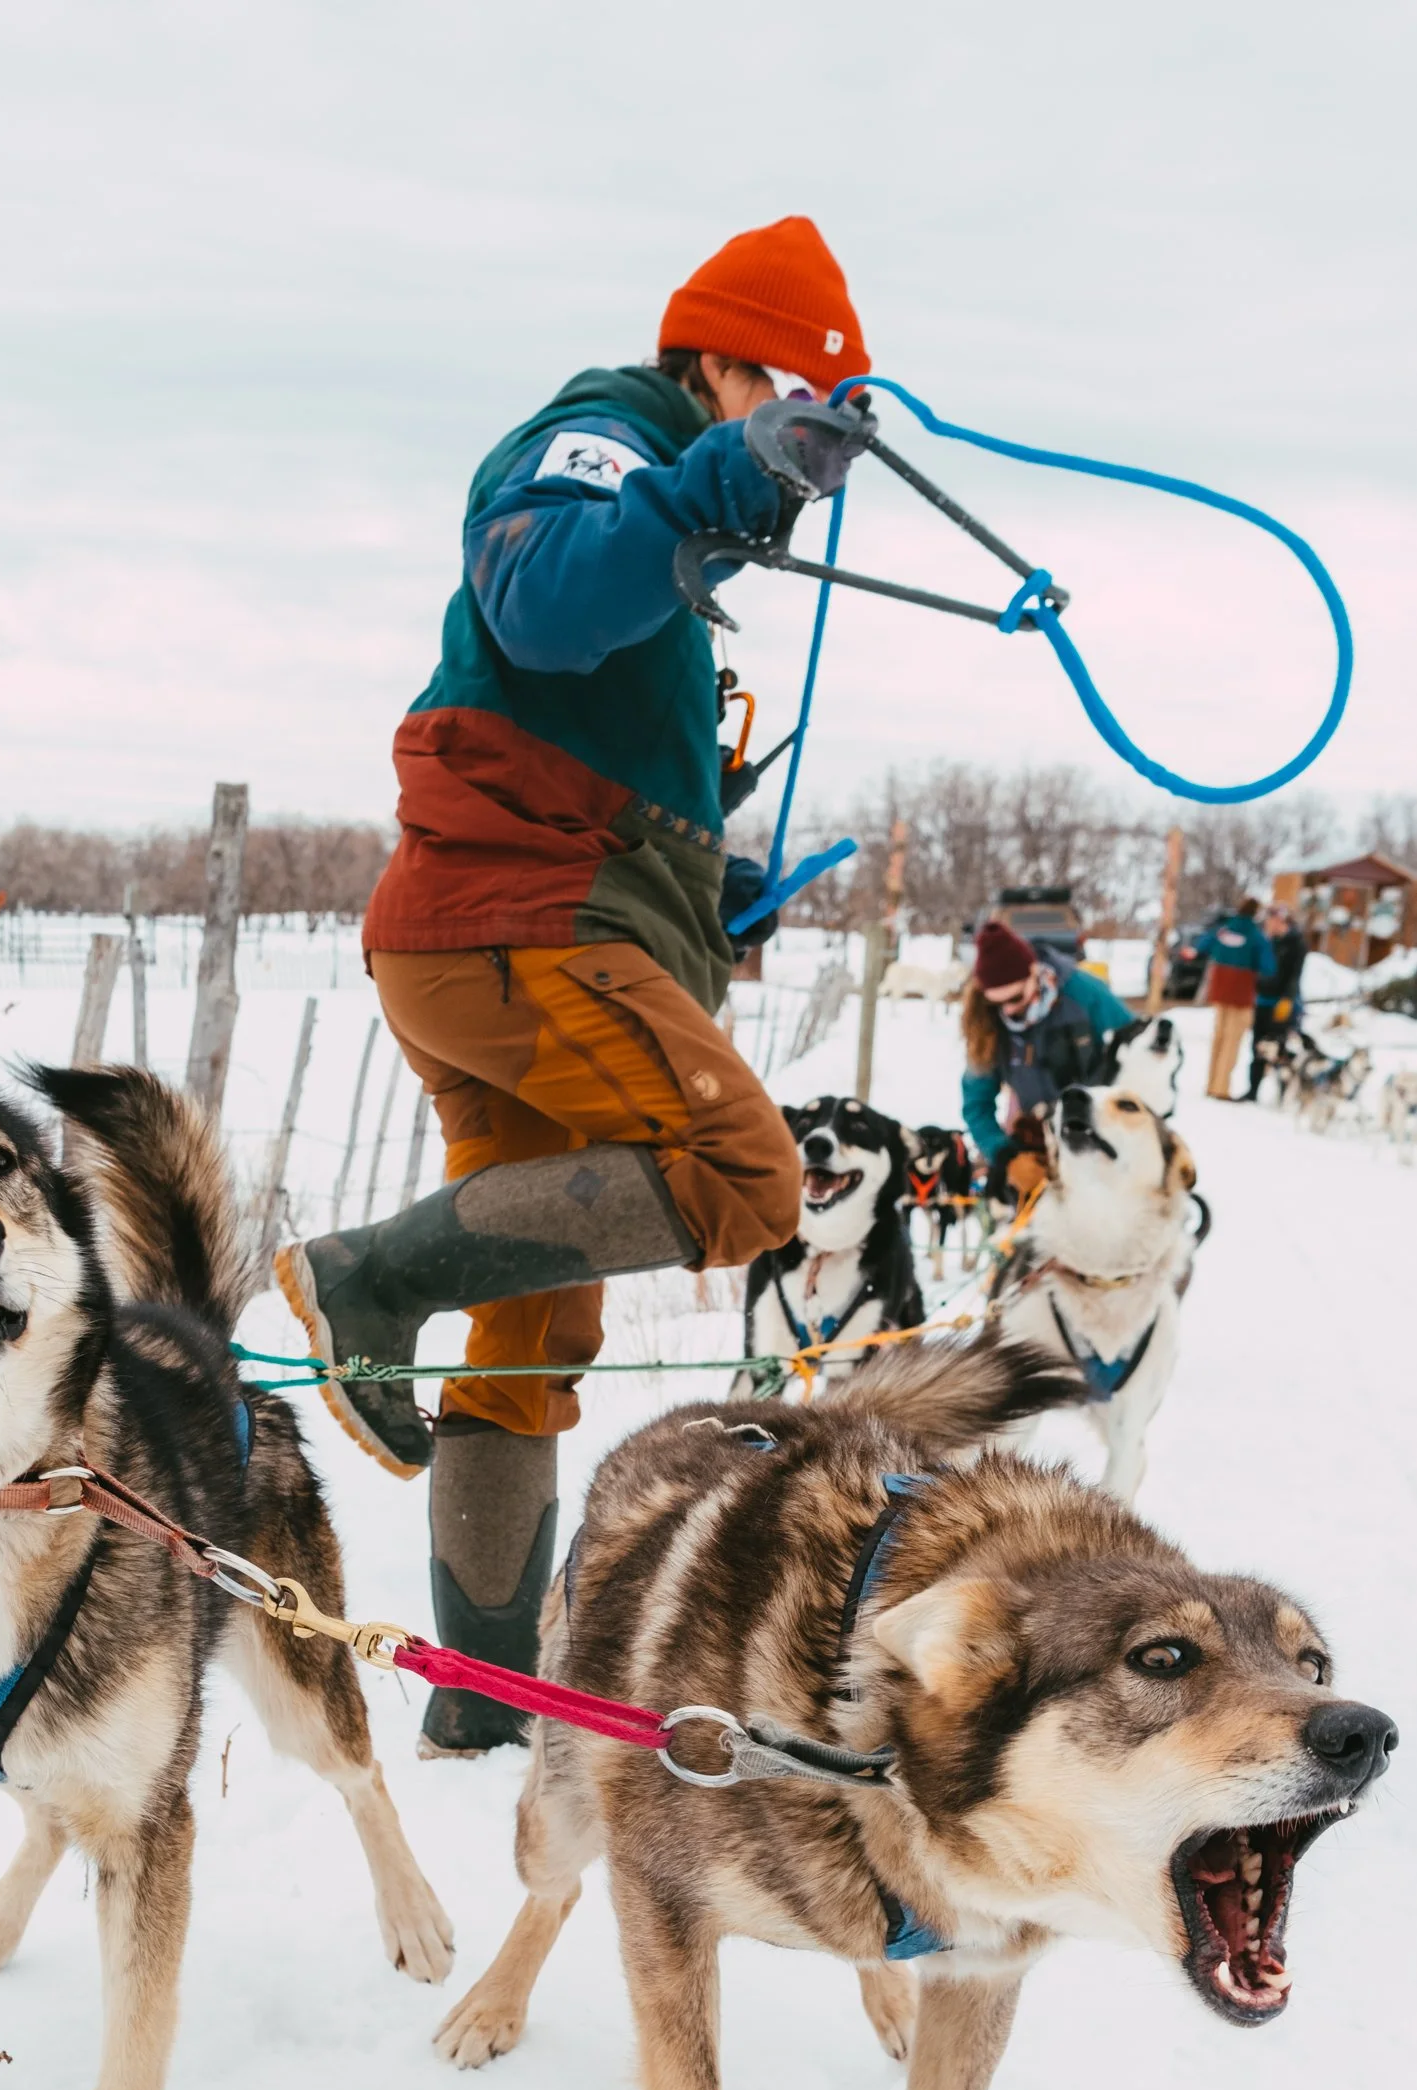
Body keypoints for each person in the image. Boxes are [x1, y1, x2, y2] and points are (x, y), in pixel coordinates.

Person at [277, 218, 869, 1754]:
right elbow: (541, 600)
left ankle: (482, 1705)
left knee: (533, 1341)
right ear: (729, 366)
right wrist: (727, 475)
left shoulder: (668, 516)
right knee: (746, 1177)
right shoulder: (607, 439)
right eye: (801, 424)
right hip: (519, 930)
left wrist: (710, 882)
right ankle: (370, 1278)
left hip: (497, 930)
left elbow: (583, 716)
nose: (810, 484)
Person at [959, 918, 1133, 1192]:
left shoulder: (1086, 995)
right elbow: (976, 1103)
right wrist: (1005, 1155)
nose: (1007, 1011)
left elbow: (1138, 1054)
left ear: (1033, 972)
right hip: (1036, 1138)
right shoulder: (987, 1021)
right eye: (997, 1004)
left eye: (1015, 999)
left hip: (1102, 1138)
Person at [1194, 896, 1274, 1099]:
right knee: (1232, 1041)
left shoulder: (1224, 928)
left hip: (1220, 988)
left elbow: (1203, 945)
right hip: (1241, 993)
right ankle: (1222, 1087)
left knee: (1218, 1037)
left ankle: (1211, 1083)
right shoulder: (1255, 935)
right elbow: (1268, 966)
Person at [1242, 902, 1308, 1101]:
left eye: (1273, 920)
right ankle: (1253, 1091)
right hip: (1262, 1000)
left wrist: (1288, 999)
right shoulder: (1266, 941)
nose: (1270, 924)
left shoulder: (1296, 943)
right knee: (1258, 1047)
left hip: (1282, 1003)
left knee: (1280, 1050)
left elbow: (1295, 975)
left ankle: (1283, 1093)